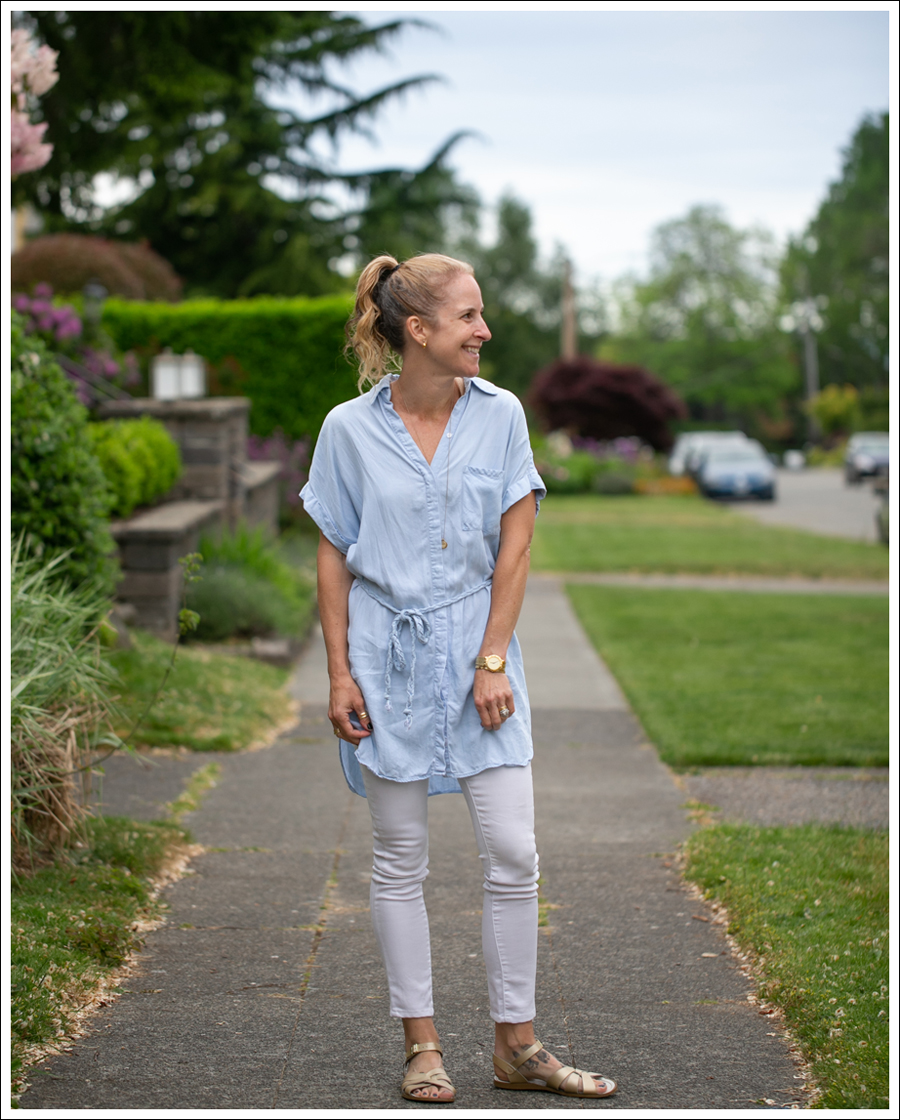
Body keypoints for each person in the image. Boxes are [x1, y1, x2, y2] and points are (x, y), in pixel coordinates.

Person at [300, 253, 617, 1103]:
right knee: (399, 857)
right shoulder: (347, 430)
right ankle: (423, 1046)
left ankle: (518, 1047)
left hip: (482, 650)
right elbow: (332, 552)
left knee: (513, 852)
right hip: (386, 658)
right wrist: (339, 674)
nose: (485, 330)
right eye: (470, 316)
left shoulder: (501, 414)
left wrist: (491, 658)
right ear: (419, 329)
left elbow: (516, 545)